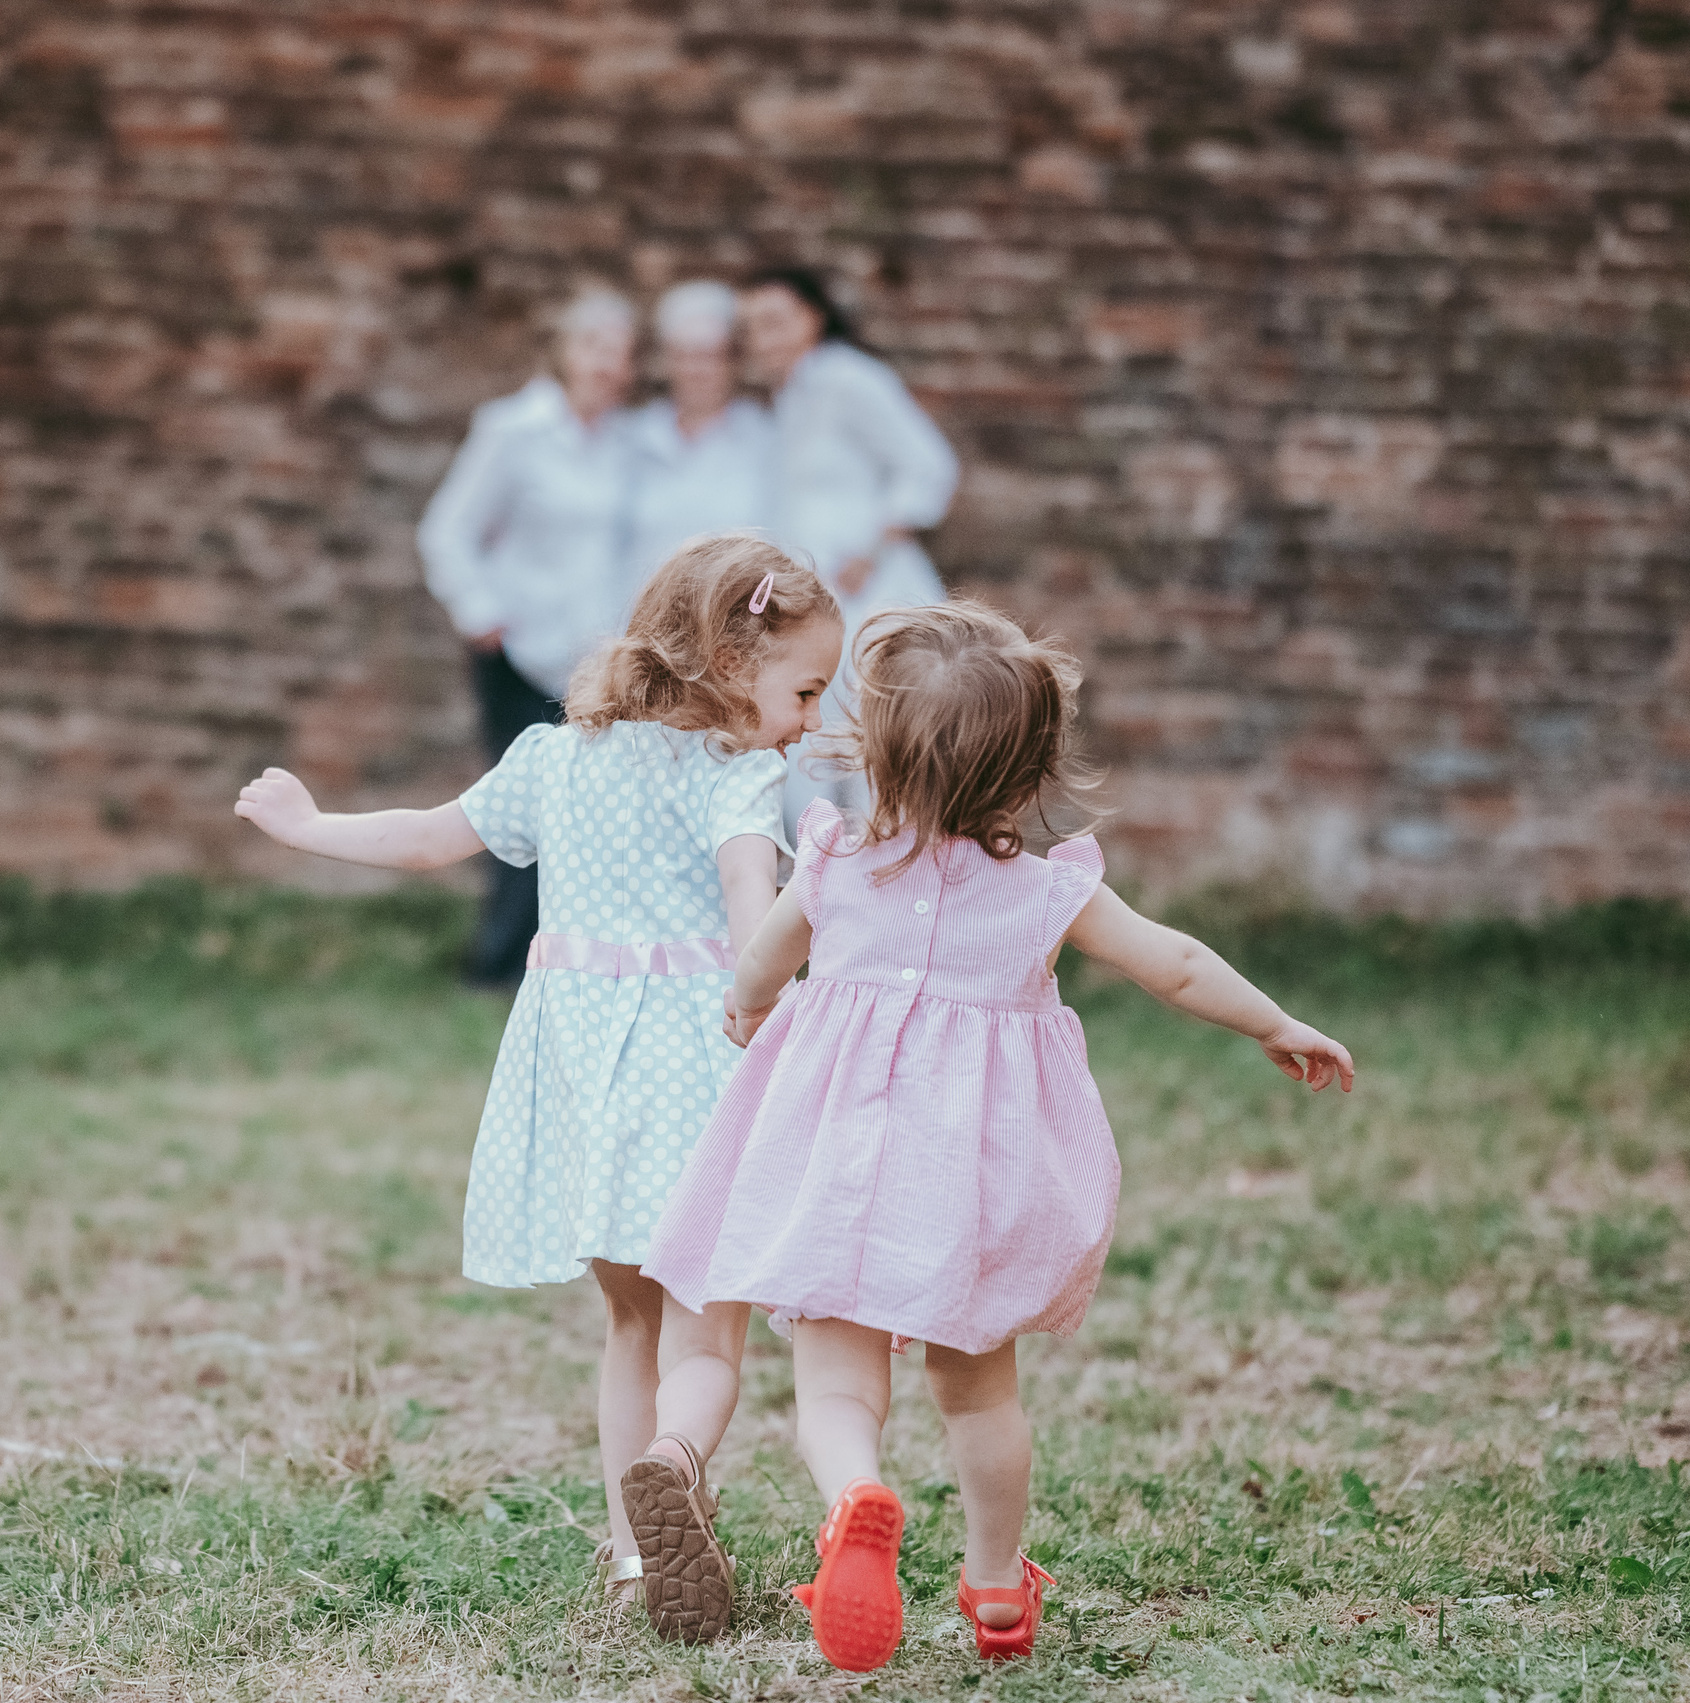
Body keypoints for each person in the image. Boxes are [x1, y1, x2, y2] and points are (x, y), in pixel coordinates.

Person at [640, 602, 1357, 1673]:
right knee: (979, 1387)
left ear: (875, 747)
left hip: (835, 1165)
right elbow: (1175, 961)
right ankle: (993, 1584)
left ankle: (855, 1499)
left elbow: (758, 966)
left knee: (836, 1381)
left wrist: (746, 1010)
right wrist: (1272, 1019)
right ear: (1031, 761)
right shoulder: (1048, 892)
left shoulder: (836, 862)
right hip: (967, 1181)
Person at [234, 536, 847, 1641]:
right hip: (701, 1073)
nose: (808, 718)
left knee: (627, 1321)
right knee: (708, 1340)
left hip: (583, 1082)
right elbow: (751, 894)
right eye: (804, 689)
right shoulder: (738, 774)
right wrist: (802, 970)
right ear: (724, 659)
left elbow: (429, 841)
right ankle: (678, 1461)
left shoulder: (553, 756)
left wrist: (306, 824)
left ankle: (630, 1552)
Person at [417, 286, 644, 988]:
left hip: (590, 662)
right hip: (518, 653)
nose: (609, 365)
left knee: (581, 810)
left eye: (623, 353)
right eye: (596, 348)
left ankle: (555, 958)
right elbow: (447, 530)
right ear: (565, 351)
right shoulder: (514, 428)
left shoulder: (624, 444)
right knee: (521, 805)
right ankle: (496, 962)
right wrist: (478, 610)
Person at [739, 266, 962, 827]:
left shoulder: (848, 378)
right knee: (817, 742)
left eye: (775, 322)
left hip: (871, 593)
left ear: (813, 317)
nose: (763, 340)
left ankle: (891, 893)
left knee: (877, 747)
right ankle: (826, 894)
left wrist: (872, 548)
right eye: (752, 328)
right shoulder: (786, 399)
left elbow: (929, 466)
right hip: (817, 602)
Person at [626, 281, 777, 587]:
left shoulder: (764, 438)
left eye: (710, 355)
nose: (696, 369)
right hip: (642, 623)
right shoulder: (633, 437)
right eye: (684, 355)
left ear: (733, 361)